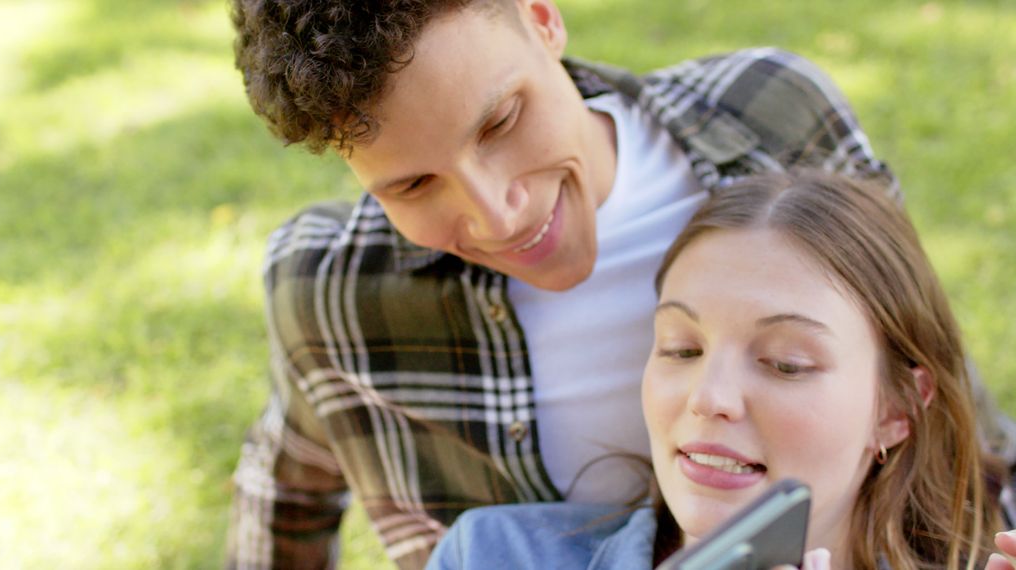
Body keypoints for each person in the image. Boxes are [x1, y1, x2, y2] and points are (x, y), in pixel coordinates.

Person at [224, 1, 1016, 568]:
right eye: (413, 185)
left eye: (499, 122)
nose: (499, 212)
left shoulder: (774, 118)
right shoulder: (333, 291)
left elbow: (943, 408)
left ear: (541, 18)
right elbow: (283, 494)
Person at [424, 171, 1009, 570]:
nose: (710, 397)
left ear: (896, 410)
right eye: (681, 349)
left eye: (786, 364)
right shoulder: (494, 555)